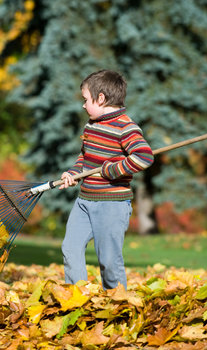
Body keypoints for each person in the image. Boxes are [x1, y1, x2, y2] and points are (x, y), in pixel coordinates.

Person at [59, 70, 154, 290]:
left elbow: (144, 157)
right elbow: (85, 157)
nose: (83, 105)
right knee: (70, 248)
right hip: (84, 201)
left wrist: (111, 170)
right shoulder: (91, 125)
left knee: (109, 262)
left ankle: (118, 306)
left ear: (100, 98)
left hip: (112, 204)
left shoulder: (125, 127)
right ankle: (77, 299)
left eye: (85, 99)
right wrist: (72, 173)